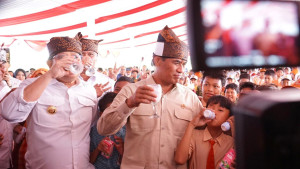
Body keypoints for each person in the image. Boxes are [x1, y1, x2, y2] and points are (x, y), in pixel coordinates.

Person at [98, 26, 203, 169]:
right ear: (158, 60)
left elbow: (203, 135)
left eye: (183, 64)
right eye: (176, 62)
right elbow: (103, 128)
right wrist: (129, 104)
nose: (181, 70)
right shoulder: (132, 91)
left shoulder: (190, 98)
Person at [0, 36, 100, 169]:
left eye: (76, 57)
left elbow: (91, 123)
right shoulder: (33, 84)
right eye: (62, 57)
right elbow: (10, 114)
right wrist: (50, 75)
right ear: (49, 63)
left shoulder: (89, 90)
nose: (70, 61)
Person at [174, 95, 234, 169]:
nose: (214, 112)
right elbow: (179, 159)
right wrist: (192, 125)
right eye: (211, 108)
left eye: (220, 110)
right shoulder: (194, 135)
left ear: (229, 117)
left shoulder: (231, 142)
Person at [90, 92, 125, 169]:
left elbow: (130, 164)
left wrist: (122, 152)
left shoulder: (125, 132)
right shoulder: (94, 132)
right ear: (101, 114)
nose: (115, 116)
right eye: (111, 113)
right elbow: (89, 161)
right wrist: (98, 149)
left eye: (118, 111)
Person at [76, 32, 115, 98]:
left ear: (96, 58)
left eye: (91, 54)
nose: (86, 58)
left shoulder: (106, 81)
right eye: (82, 54)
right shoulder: (68, 80)